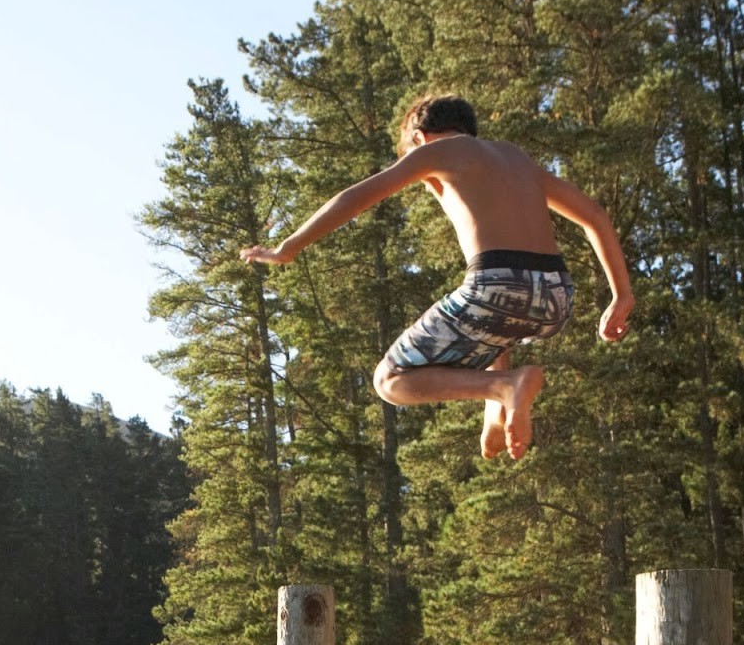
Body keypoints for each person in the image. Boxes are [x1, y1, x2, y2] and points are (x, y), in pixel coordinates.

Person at [241, 94, 633, 460]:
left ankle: (502, 388)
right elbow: (595, 216)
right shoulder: (516, 158)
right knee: (496, 327)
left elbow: (356, 196)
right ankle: (495, 410)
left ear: (419, 137)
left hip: (495, 284)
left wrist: (288, 248)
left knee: (390, 381)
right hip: (555, 298)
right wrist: (621, 296)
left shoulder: (437, 151)